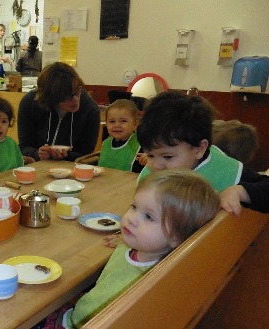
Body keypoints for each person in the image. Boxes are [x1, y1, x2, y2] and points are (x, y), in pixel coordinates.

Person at [60, 170, 220, 328]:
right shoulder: (133, 246)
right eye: (134, 206)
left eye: (149, 217)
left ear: (176, 238)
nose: (131, 219)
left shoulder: (155, 283)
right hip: (77, 317)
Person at [137, 91, 269, 215]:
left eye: (167, 156)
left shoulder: (225, 170)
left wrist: (239, 191)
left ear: (199, 149)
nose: (155, 166)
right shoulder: (153, 172)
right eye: (150, 155)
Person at [17, 62, 100, 162]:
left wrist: (65, 156)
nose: (75, 100)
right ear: (51, 98)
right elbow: (24, 147)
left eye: (78, 91)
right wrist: (39, 154)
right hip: (37, 167)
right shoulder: (30, 103)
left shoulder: (90, 110)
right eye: (67, 97)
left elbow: (85, 155)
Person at [98, 99, 146, 173]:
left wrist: (149, 160)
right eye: (112, 121)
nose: (117, 125)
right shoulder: (106, 143)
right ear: (106, 124)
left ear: (135, 125)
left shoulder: (142, 145)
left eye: (123, 121)